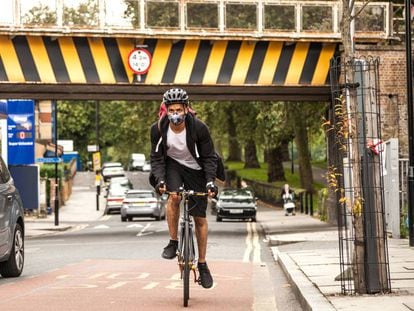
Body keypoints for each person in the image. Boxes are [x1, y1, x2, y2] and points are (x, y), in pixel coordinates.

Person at [149, 88, 218, 289]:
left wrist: (210, 181)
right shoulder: (158, 129)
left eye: (179, 109)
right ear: (166, 110)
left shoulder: (199, 128)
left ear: (186, 109)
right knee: (174, 197)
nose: (175, 114)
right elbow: (156, 158)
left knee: (200, 218)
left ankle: (203, 264)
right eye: (171, 110)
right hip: (173, 166)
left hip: (196, 169)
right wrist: (161, 180)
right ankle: (173, 242)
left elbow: (209, 157)